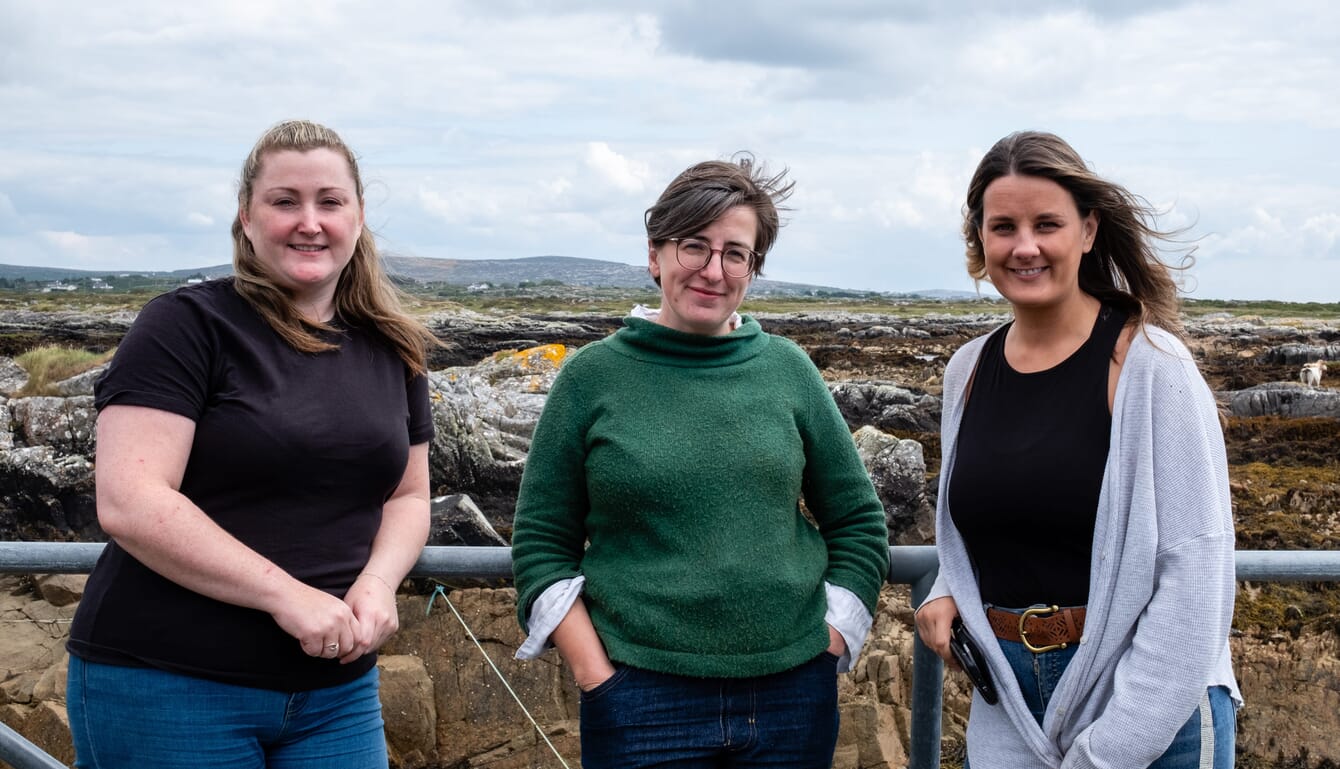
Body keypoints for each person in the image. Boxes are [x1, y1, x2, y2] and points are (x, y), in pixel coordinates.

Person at [66, 120, 438, 768]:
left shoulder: (392, 346)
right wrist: (286, 595)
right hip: (170, 684)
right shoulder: (186, 325)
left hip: (338, 692)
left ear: (358, 214)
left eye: (329, 200)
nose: (309, 221)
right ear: (246, 216)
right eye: (284, 201)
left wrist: (378, 583)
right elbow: (130, 499)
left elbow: (408, 494)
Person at [510, 155, 890, 768]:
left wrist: (832, 641)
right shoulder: (590, 378)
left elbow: (858, 522)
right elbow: (540, 543)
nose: (714, 270)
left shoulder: (788, 371)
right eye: (695, 246)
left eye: (735, 253)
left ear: (752, 268)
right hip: (639, 699)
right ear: (656, 254)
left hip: (793, 694)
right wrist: (595, 675)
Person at [914, 130, 1241, 768]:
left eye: (1048, 224)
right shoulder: (967, 370)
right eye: (1003, 226)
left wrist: (1111, 749)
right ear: (979, 239)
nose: (1025, 245)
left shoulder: (1151, 366)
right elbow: (982, 523)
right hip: (1009, 700)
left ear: (1088, 232)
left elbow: (1197, 576)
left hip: (1154, 707)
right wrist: (943, 586)